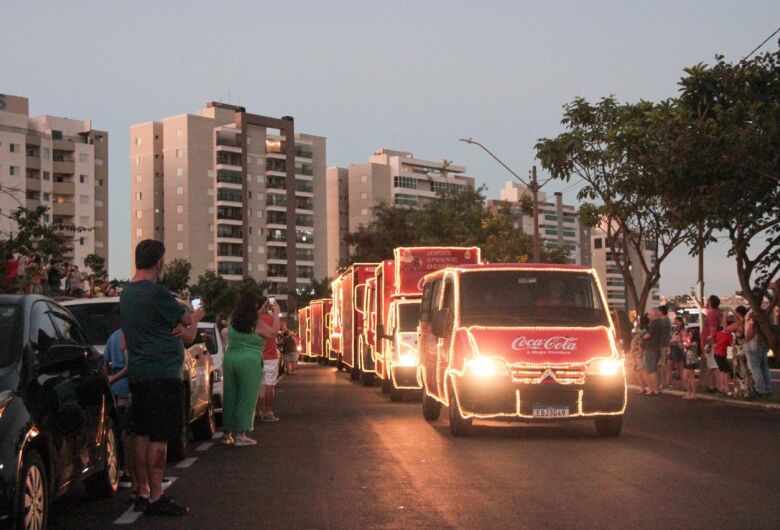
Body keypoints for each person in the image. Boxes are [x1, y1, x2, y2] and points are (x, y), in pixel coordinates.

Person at [121, 239, 201, 517]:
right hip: (163, 374)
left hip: (139, 374)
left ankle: (141, 491)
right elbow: (187, 323)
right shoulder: (157, 293)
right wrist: (195, 313)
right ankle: (157, 495)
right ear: (159, 262)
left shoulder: (127, 294)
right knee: (159, 439)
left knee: (140, 435)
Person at [222, 293, 280, 446]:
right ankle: (241, 435)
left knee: (230, 395)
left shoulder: (232, 320)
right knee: (247, 396)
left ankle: (227, 433)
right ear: (252, 307)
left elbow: (250, 317)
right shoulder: (256, 324)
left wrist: (263, 308)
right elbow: (273, 333)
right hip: (249, 361)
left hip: (230, 359)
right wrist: (276, 314)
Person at [103, 329, 133, 490]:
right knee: (128, 431)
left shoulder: (112, 336)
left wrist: (108, 378)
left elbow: (105, 362)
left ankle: (122, 468)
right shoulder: (131, 334)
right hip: (126, 384)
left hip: (115, 386)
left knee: (120, 428)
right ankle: (127, 469)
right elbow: (130, 365)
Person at [693, 294, 722, 393]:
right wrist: (695, 298)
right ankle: (712, 386)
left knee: (714, 366)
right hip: (710, 343)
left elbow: (713, 330)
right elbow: (701, 309)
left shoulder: (712, 314)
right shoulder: (714, 313)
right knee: (711, 366)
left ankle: (717, 387)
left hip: (710, 343)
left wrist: (709, 344)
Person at [743, 309, 774, 398]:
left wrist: (746, 341)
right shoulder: (764, 312)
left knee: (755, 368)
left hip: (753, 342)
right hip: (763, 341)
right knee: (764, 367)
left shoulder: (751, 312)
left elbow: (750, 328)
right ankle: (768, 389)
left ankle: (760, 390)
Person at [258, 309, 281, 422]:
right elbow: (275, 333)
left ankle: (259, 411)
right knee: (269, 385)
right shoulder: (272, 318)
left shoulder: (253, 319)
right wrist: (277, 313)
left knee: (259, 386)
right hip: (270, 356)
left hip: (257, 355)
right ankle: (268, 411)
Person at [640, 308, 663, 396]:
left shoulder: (654, 324)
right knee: (652, 369)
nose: (648, 316)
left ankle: (654, 389)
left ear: (654, 315)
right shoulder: (659, 323)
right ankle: (653, 389)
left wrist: (641, 337)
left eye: (649, 314)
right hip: (656, 348)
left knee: (651, 370)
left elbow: (648, 335)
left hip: (651, 348)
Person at [713, 325, 734, 395]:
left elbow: (711, 337)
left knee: (722, 371)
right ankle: (726, 388)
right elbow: (732, 344)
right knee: (727, 371)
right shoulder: (729, 335)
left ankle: (722, 387)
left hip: (716, 353)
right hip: (721, 354)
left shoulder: (719, 333)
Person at [682, 328, 700, 399]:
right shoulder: (690, 341)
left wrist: (684, 338)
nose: (689, 335)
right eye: (688, 334)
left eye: (690, 334)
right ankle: (688, 392)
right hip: (686, 359)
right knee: (685, 377)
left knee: (691, 377)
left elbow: (687, 345)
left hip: (691, 360)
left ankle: (694, 393)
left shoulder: (695, 343)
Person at [668, 316, 686, 387]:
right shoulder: (674, 330)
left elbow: (682, 341)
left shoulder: (682, 331)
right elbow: (670, 337)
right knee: (669, 365)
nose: (675, 323)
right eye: (675, 322)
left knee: (679, 367)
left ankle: (683, 383)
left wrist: (675, 342)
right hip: (672, 348)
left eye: (677, 322)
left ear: (681, 322)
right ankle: (668, 382)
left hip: (678, 349)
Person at [656, 305, 672, 388]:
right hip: (664, 344)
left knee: (662, 364)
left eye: (658, 311)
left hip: (663, 345)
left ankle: (664, 382)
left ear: (661, 312)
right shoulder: (666, 320)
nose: (657, 313)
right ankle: (663, 382)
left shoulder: (664, 320)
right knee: (661, 364)